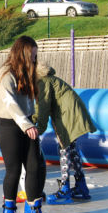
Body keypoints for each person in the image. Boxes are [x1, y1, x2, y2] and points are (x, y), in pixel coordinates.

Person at [0, 36, 57, 213]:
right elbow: (9, 103)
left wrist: (31, 121)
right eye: (32, 56)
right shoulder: (5, 74)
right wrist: (27, 124)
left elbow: (30, 101)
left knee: (35, 166)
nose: (34, 60)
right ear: (21, 54)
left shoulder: (28, 73)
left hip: (26, 122)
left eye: (36, 56)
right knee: (13, 169)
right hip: (7, 124)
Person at [33, 61, 96, 204]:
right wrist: (33, 117)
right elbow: (40, 108)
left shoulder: (42, 82)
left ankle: (65, 189)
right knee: (72, 149)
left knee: (63, 148)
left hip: (67, 115)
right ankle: (81, 186)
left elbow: (43, 106)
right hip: (72, 113)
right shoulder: (49, 80)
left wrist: (39, 129)